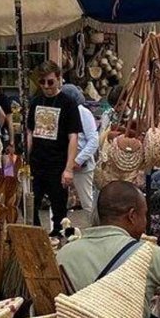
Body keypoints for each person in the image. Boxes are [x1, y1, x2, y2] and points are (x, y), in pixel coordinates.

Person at [57, 180, 160, 311]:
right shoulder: (146, 254)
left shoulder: (64, 254)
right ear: (132, 216)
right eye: (144, 215)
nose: (146, 223)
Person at [26, 62, 82, 235]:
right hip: (37, 162)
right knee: (28, 203)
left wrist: (68, 168)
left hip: (57, 163)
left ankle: (58, 236)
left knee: (59, 209)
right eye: (42, 82)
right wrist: (26, 158)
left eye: (50, 82)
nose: (46, 86)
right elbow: (30, 131)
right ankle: (37, 234)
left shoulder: (68, 103)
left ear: (58, 79)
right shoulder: (36, 101)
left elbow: (73, 136)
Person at [62, 83, 99, 227]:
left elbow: (93, 140)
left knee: (87, 202)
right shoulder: (64, 110)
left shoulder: (83, 112)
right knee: (58, 200)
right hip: (65, 163)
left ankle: (96, 230)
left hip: (82, 166)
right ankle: (58, 231)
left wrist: (78, 160)